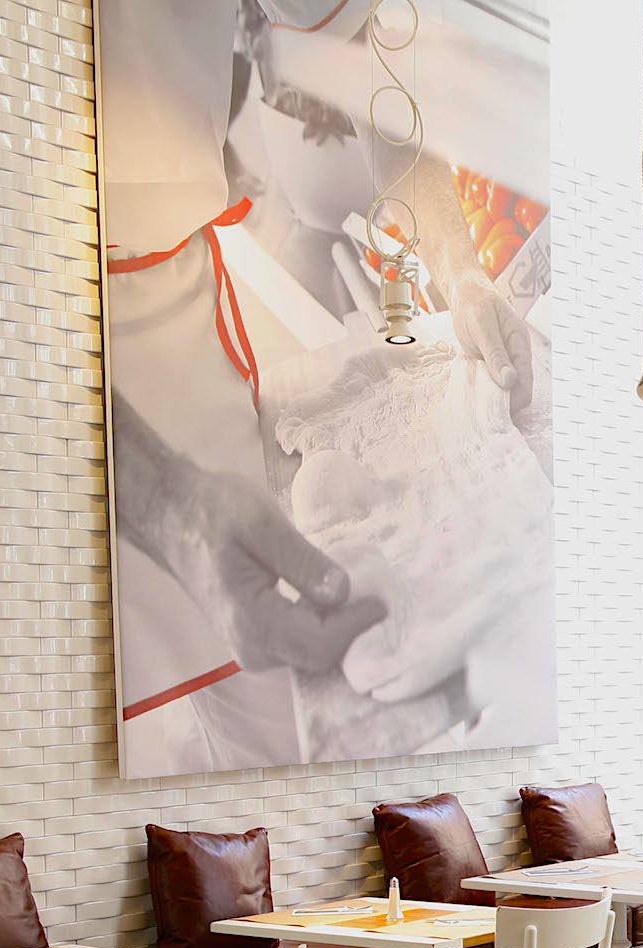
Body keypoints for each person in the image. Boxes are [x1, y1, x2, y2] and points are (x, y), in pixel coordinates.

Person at [99, 0, 536, 760]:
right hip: (35, 374)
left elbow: (377, 69)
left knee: (269, 725)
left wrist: (460, 271)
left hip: (183, 315)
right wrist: (168, 507)